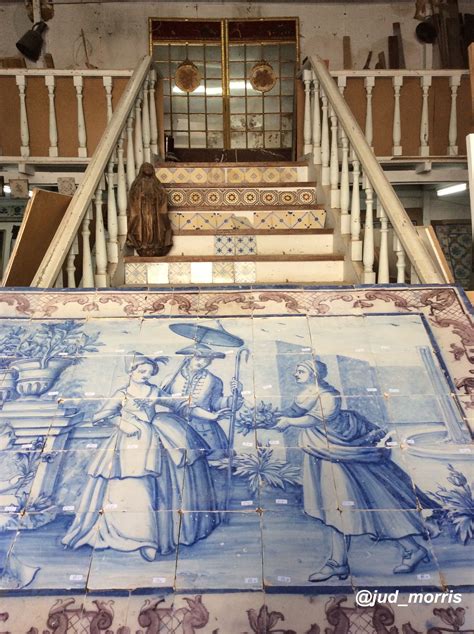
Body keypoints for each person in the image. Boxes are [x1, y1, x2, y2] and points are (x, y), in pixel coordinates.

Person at [274, 359, 435, 582]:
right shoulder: (307, 393)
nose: (295, 374)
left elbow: (313, 419)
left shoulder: (329, 396)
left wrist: (290, 422)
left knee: (345, 505)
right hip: (322, 453)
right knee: (337, 507)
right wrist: (268, 418)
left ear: (314, 374)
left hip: (339, 453)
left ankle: (341, 563)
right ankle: (403, 550)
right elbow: (293, 412)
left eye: (300, 371)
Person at [62, 354, 219, 562]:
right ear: (131, 371)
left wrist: (211, 416)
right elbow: (99, 417)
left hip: (155, 439)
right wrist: (121, 422)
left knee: (157, 490)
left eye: (149, 372)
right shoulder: (122, 394)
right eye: (141, 371)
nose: (146, 375)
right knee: (130, 489)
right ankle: (136, 538)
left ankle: (151, 540)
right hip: (128, 442)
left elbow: (181, 406)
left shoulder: (154, 391)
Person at [162, 343, 242, 460]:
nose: (202, 362)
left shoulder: (214, 381)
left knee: (208, 463)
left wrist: (237, 393)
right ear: (189, 357)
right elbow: (159, 399)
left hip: (205, 430)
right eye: (198, 358)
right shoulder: (171, 378)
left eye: (207, 360)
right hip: (176, 429)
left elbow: (217, 403)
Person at [126, 162, 173, 257]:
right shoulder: (138, 183)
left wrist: (156, 196)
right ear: (142, 170)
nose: (148, 169)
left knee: (154, 224)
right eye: (146, 167)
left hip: (154, 208)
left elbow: (162, 194)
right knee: (145, 225)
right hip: (142, 209)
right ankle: (144, 245)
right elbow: (133, 196)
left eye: (150, 167)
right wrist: (140, 196)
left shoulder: (156, 183)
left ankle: (155, 244)